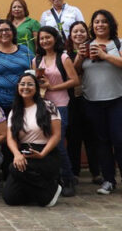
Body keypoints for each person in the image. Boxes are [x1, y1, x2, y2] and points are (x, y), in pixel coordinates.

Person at [80, 9, 122, 197]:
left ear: (110, 24)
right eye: (96, 22)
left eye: (104, 21)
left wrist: (105, 56)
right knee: (101, 141)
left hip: (118, 99)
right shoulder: (87, 45)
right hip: (92, 100)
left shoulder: (120, 43)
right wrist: (79, 56)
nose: (100, 25)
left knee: (120, 139)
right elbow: (76, 71)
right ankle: (108, 180)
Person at [2, 72, 62, 207]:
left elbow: (56, 135)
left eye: (30, 84)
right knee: (10, 198)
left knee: (14, 169)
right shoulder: (15, 111)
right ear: (18, 87)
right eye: (22, 84)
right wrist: (17, 154)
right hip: (24, 152)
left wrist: (42, 154)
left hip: (46, 153)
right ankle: (38, 191)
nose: (26, 87)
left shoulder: (48, 106)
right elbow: (10, 138)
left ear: (36, 87)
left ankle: (51, 188)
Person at [34, 25, 79, 197]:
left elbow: (74, 80)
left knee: (58, 143)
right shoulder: (37, 60)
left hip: (61, 104)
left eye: (48, 37)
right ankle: (54, 179)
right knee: (44, 143)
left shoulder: (64, 57)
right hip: (43, 105)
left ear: (55, 38)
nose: (45, 41)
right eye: (42, 38)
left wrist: (52, 87)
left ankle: (68, 179)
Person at [65, 21, 102, 185]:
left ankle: (97, 172)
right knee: (73, 136)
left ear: (87, 34)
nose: (79, 34)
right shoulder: (65, 54)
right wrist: (79, 56)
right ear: (70, 35)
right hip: (72, 99)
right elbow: (70, 74)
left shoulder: (95, 50)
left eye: (82, 32)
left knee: (93, 135)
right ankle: (74, 172)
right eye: (75, 32)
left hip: (92, 97)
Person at [0, 20, 33, 113]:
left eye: (7, 30)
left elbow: (35, 70)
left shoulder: (24, 49)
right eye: (0, 31)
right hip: (0, 106)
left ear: (13, 32)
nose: (4, 33)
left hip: (24, 102)